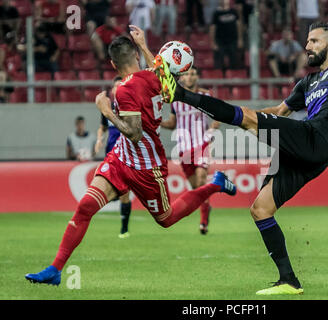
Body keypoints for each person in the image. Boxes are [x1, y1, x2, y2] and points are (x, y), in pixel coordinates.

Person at [154, 21, 328, 295]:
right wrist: (244, 114)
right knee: (260, 209)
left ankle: (180, 94)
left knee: (244, 119)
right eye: (307, 41)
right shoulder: (306, 83)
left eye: (314, 41)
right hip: (306, 151)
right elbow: (279, 112)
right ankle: (288, 281)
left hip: (316, 139)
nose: (307, 46)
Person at [25, 32, 236, 285]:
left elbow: (135, 133)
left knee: (166, 219)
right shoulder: (154, 77)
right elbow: (161, 70)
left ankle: (215, 184)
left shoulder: (125, 89)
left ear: (113, 64)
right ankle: (55, 269)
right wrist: (145, 45)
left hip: (148, 167)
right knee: (85, 207)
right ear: (136, 55)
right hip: (121, 160)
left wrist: (106, 111)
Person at [160, 66, 220, 235]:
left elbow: (218, 117)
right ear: (183, 78)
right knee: (196, 190)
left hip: (202, 144)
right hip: (184, 148)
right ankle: (206, 208)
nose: (190, 76)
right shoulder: (175, 101)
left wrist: (213, 128)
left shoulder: (206, 95)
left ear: (197, 76)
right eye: (187, 74)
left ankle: (203, 223)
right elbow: (172, 124)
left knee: (201, 180)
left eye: (193, 73)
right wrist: (158, 122)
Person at [95, 76, 133, 238]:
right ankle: (114, 196)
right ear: (112, 90)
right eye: (116, 86)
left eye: (121, 85)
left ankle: (124, 228)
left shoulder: (131, 107)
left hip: (126, 154)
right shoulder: (108, 109)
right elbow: (102, 127)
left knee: (125, 193)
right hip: (110, 154)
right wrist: (99, 140)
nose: (119, 89)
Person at [210, 0, 244, 70]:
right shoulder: (216, 13)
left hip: (232, 41)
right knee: (219, 62)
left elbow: (239, 25)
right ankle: (220, 77)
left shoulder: (234, 12)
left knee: (234, 61)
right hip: (220, 41)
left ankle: (233, 77)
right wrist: (213, 42)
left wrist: (240, 39)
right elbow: (212, 28)